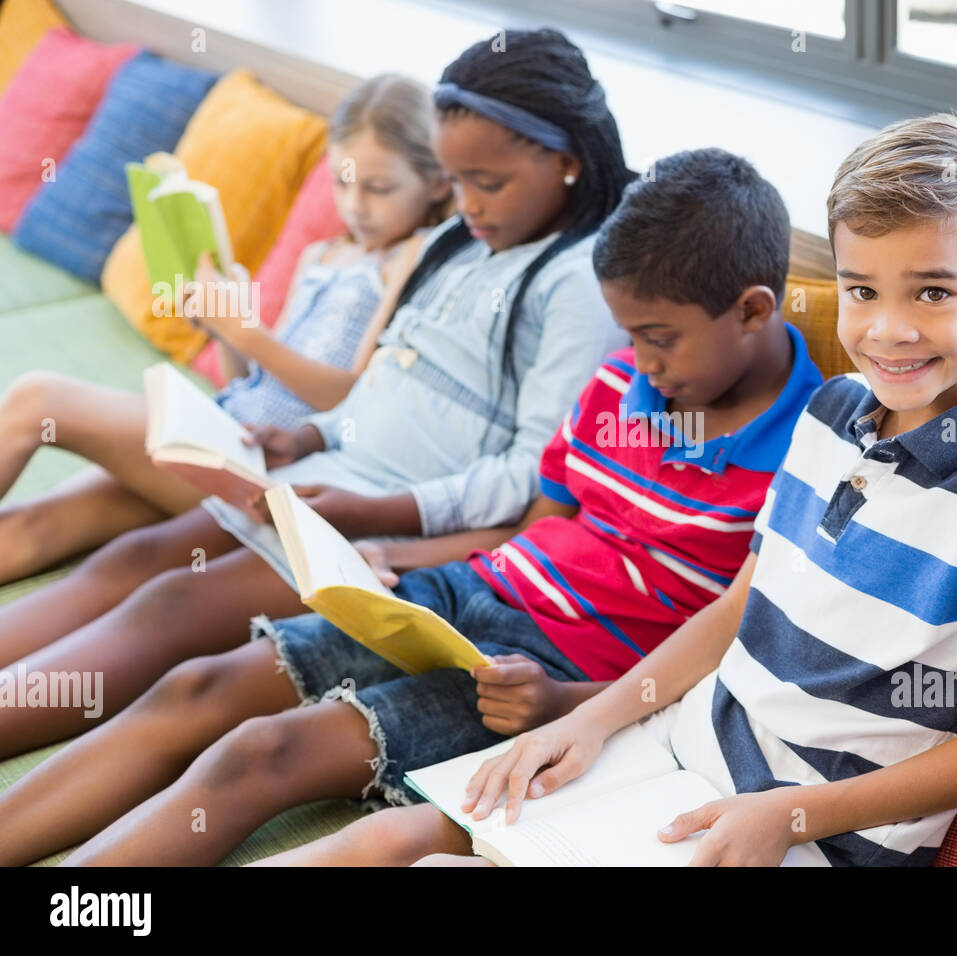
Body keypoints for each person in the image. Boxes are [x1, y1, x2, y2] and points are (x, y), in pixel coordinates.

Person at [0, 148, 824, 867]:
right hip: (462, 596)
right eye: (629, 336)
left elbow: (730, 656)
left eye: (659, 337)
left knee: (263, 752)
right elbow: (537, 526)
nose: (639, 361)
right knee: (197, 688)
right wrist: (404, 562)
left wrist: (564, 708)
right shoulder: (623, 386)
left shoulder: (811, 457)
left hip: (554, 674)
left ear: (753, 309)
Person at [307, 112, 957, 868]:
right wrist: (592, 718)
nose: (889, 329)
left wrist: (785, 815)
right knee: (389, 843)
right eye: (863, 292)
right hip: (680, 748)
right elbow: (741, 606)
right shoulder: (830, 412)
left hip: (807, 831)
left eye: (933, 293)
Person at [0, 28, 633, 761]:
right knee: (134, 565)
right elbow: (382, 388)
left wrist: (378, 518)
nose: (468, 206)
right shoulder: (461, 240)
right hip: (322, 484)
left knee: (168, 613)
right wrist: (307, 437)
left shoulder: (579, 283)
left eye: (486, 183)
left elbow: (532, 476)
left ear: (567, 161)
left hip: (386, 532)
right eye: (458, 183)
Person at [0, 73, 450, 585]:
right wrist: (224, 330)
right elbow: (253, 380)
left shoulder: (410, 258)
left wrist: (242, 330)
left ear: (437, 181)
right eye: (343, 182)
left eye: (379, 188)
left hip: (270, 466)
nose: (356, 205)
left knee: (38, 398)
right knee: (39, 525)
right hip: (225, 425)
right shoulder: (321, 255)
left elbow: (351, 397)